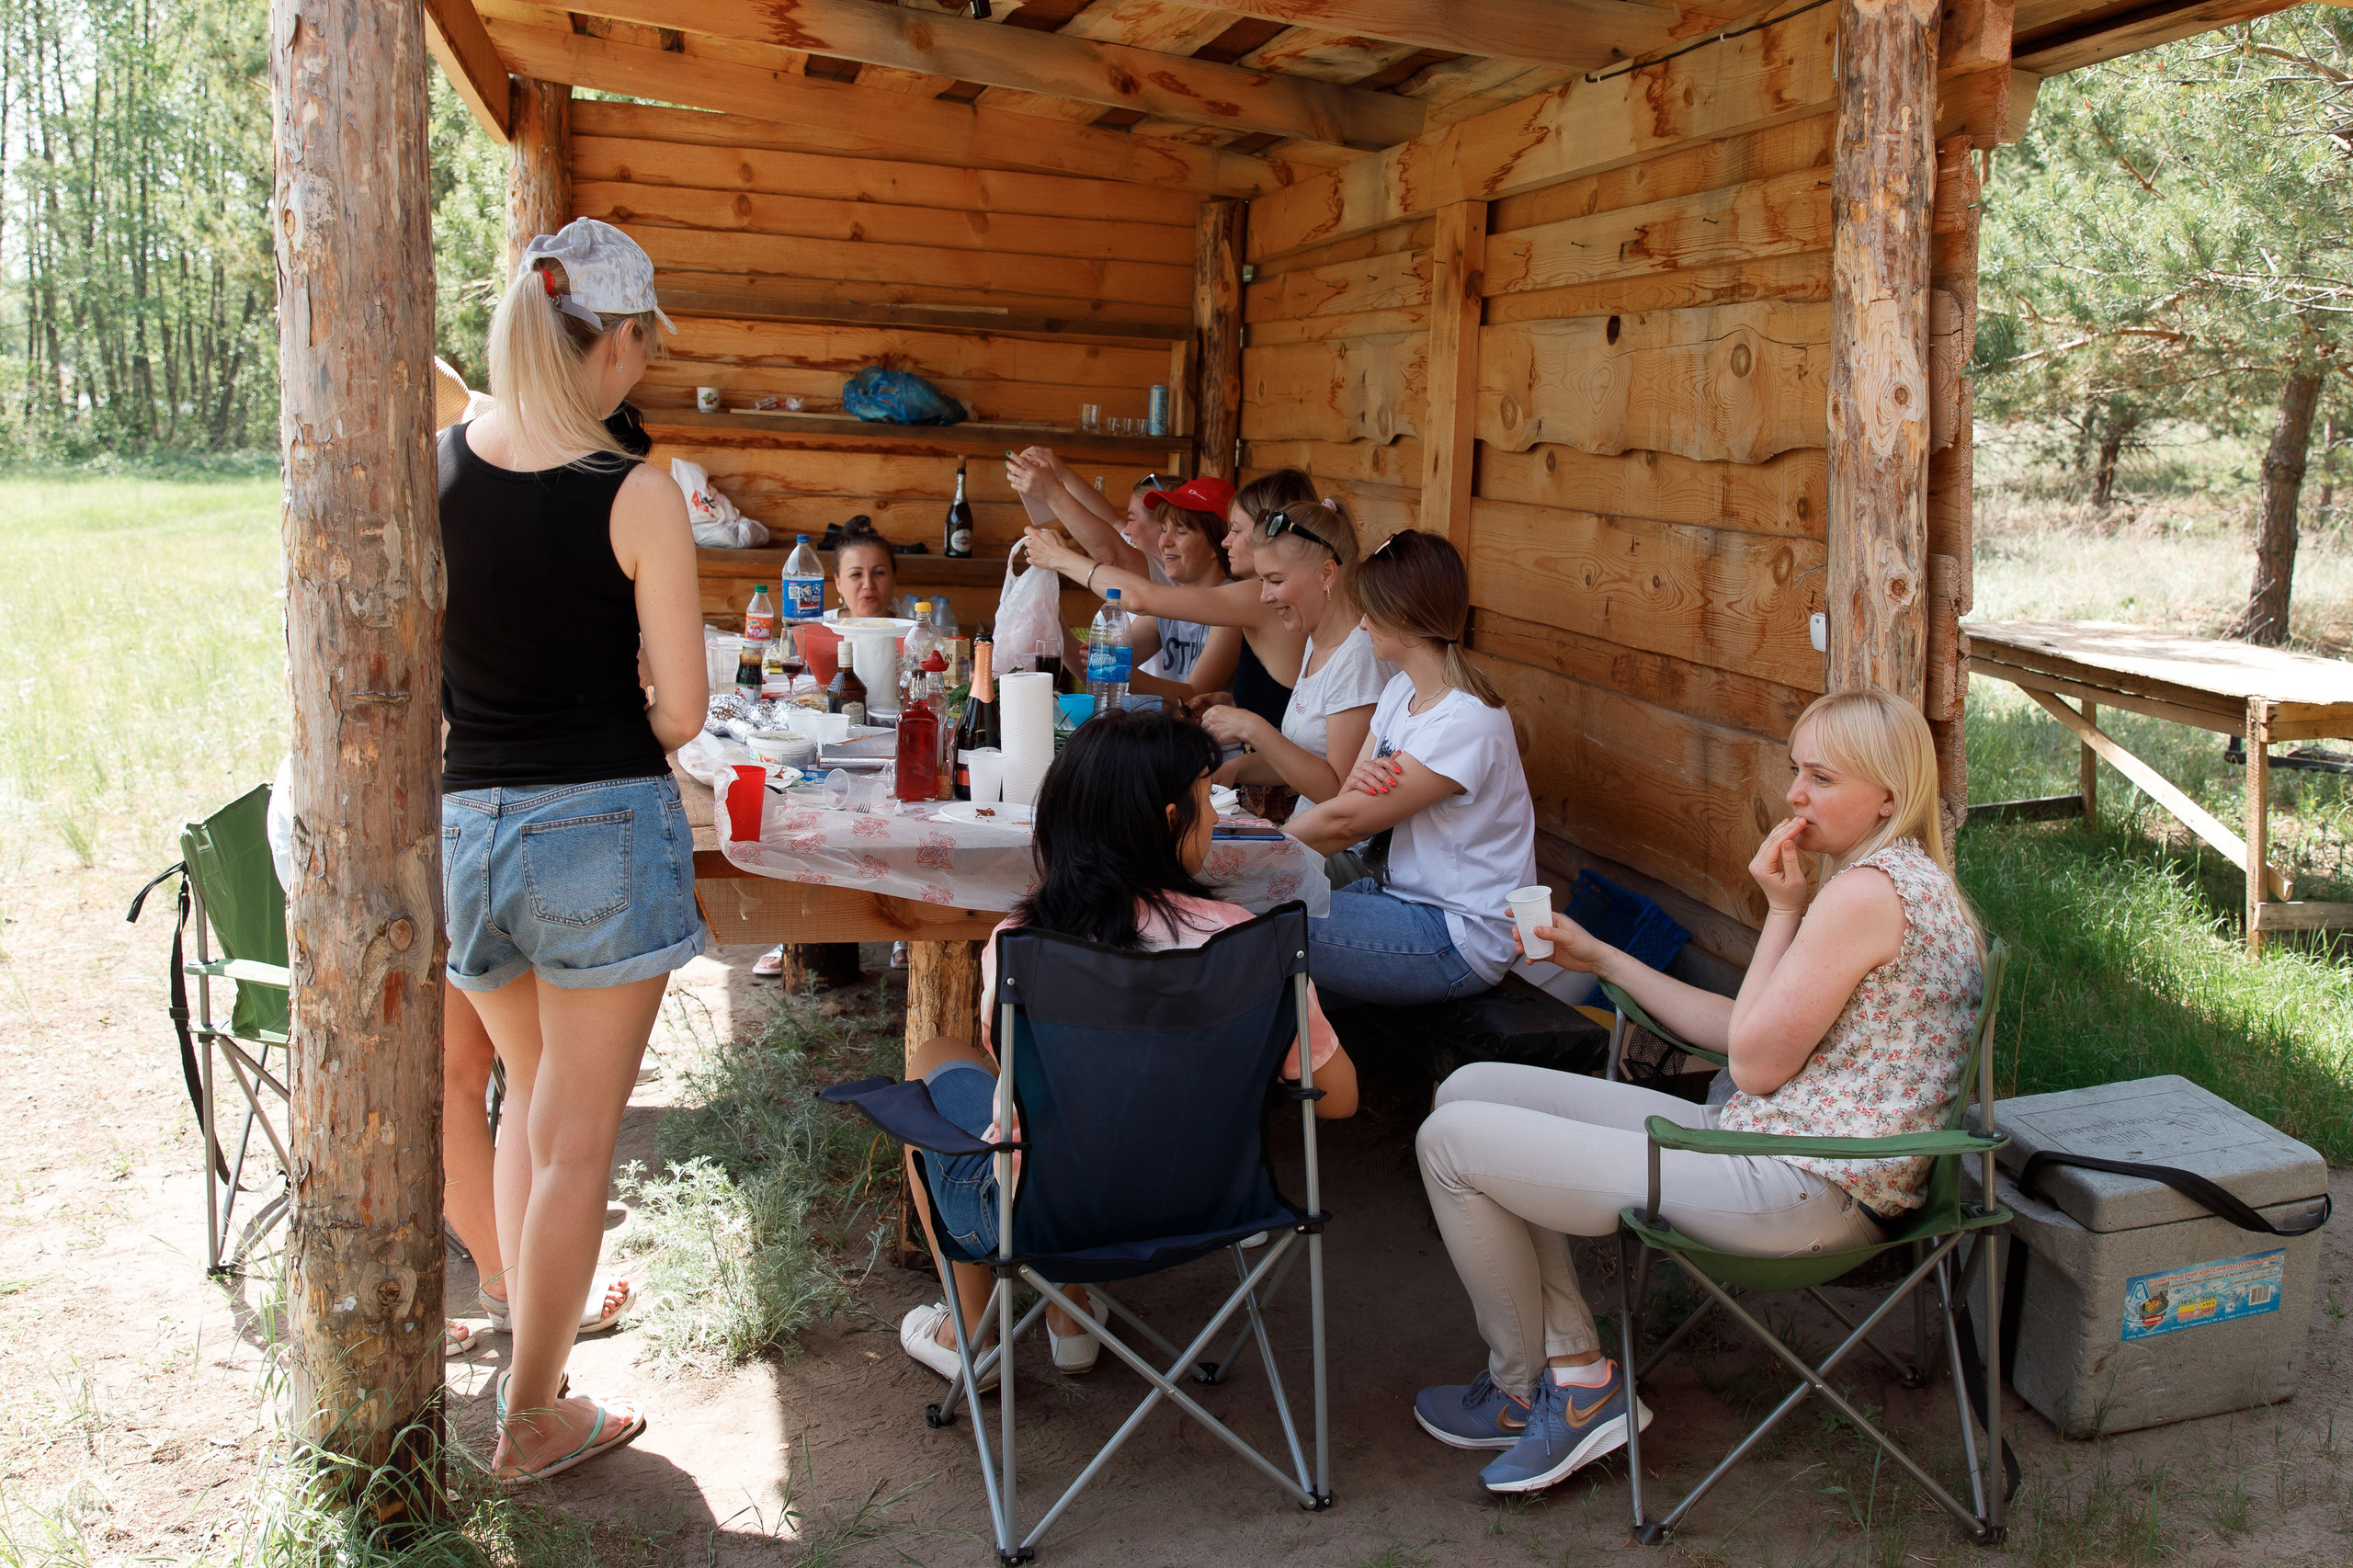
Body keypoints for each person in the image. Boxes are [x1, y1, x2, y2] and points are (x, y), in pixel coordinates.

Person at [1411, 687, 1985, 1495]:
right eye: (1796, 770)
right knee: (1470, 1088)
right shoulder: (1892, 881)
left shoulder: (1866, 895)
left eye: (1822, 777)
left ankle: (1540, 1386)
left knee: (1452, 1144)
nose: (1794, 795)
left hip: (1805, 1186)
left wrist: (1783, 911)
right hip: (1773, 1146)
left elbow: (1750, 1063)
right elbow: (1744, 1028)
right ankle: (1570, 1372)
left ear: (1889, 794)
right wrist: (1604, 958)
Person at [440, 217, 709, 1487]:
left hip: (469, 828)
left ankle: (523, 1340)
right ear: (603, 347)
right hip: (598, 821)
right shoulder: (637, 492)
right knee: (575, 1142)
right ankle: (531, 1408)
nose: (645, 364)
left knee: (528, 1107)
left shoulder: (438, 467)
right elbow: (686, 714)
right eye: (641, 340)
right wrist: (633, 705)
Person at [899, 710, 1358, 1385]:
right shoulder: (1248, 946)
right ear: (1172, 818)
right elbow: (1339, 1100)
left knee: (936, 1061)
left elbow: (1026, 1095)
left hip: (1043, 1219)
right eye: (1206, 803)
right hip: (1213, 1206)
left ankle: (967, 1332)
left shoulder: (1022, 946)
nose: (1210, 819)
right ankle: (1070, 1316)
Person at [1282, 529, 1536, 1009]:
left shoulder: (1467, 720)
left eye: (1370, 611)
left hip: (1455, 933)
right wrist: (1354, 794)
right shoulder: (1402, 691)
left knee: (1263, 926)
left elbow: (1347, 821)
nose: (1360, 625)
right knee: (1271, 929)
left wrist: (1251, 854)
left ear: (1400, 617)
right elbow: (1347, 802)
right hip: (1396, 898)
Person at [1004, 453, 1243, 707]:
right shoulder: (1171, 604)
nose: (1165, 542)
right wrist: (1052, 618)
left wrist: (1118, 670)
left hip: (1216, 745)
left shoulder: (1232, 606)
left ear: (1219, 543)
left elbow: (1194, 696)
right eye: (1163, 529)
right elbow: (1091, 668)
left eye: (1181, 531)